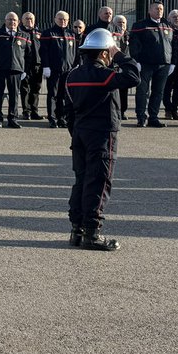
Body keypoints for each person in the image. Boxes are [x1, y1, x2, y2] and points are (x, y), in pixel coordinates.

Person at [66, 28, 140, 251]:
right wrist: (119, 54)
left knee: (81, 180)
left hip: (80, 133)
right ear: (104, 53)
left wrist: (76, 131)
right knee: (98, 181)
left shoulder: (72, 75)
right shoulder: (103, 75)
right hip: (101, 134)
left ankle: (76, 231)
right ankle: (92, 233)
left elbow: (67, 110)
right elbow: (134, 75)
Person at [129, 1, 174, 128]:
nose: (159, 11)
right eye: (156, 8)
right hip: (145, 63)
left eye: (161, 9)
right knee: (142, 91)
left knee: (158, 92)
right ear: (149, 11)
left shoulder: (167, 25)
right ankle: (141, 117)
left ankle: (153, 117)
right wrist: (136, 61)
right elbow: (134, 44)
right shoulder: (140, 25)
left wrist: (172, 63)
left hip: (164, 64)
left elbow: (173, 45)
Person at [0, 12, 33, 128]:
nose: (12, 22)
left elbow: (28, 55)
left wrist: (25, 70)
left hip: (16, 69)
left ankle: (12, 118)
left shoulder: (25, 36)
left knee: (14, 96)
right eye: (9, 20)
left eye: (14, 20)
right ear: (5, 21)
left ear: (18, 22)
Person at [38, 11, 75, 129]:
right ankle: (52, 118)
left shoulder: (71, 34)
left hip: (67, 70)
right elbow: (43, 51)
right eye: (60, 19)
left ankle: (62, 118)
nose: (63, 21)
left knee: (64, 95)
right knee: (53, 94)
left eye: (65, 20)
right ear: (55, 19)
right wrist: (46, 66)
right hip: (53, 69)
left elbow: (74, 52)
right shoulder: (48, 33)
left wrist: (74, 66)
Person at [162, 9, 178, 120]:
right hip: (168, 63)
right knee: (166, 88)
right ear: (169, 18)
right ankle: (168, 109)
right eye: (174, 16)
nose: (176, 18)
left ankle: (174, 110)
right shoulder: (165, 31)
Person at [18, 11, 42, 120]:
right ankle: (26, 111)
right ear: (22, 20)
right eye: (27, 19)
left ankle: (34, 111)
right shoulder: (19, 32)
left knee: (36, 89)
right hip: (24, 64)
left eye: (31, 19)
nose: (29, 21)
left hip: (37, 64)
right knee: (25, 89)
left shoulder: (39, 32)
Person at [111, 14, 131, 119]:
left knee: (124, 91)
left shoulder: (129, 35)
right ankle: (115, 111)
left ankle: (122, 111)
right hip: (114, 66)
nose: (121, 24)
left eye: (123, 22)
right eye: (119, 22)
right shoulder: (112, 35)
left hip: (125, 66)